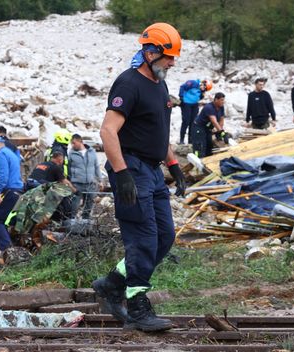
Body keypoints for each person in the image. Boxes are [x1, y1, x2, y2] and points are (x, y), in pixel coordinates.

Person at [92, 22, 187, 332]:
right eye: (168, 57)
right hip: (131, 167)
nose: (172, 63)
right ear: (150, 53)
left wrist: (173, 165)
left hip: (153, 169)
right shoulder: (128, 84)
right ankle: (137, 306)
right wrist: (121, 174)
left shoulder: (160, 86)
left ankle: (113, 283)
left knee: (164, 236)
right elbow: (108, 131)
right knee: (143, 237)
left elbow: (158, 132)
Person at [0, 136, 23, 252]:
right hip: (18, 190)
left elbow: (3, 175)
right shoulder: (11, 153)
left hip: (8, 190)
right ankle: (15, 247)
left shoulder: (0, 154)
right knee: (8, 220)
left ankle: (8, 251)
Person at [27, 152, 76, 221]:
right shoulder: (55, 167)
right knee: (62, 197)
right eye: (62, 160)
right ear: (60, 160)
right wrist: (74, 190)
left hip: (29, 184)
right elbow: (65, 182)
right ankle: (64, 219)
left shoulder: (41, 164)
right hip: (39, 185)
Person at [69, 134, 101, 219]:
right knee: (74, 205)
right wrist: (69, 181)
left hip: (90, 184)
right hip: (77, 184)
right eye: (71, 143)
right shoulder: (71, 153)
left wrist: (100, 180)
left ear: (80, 141)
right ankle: (71, 223)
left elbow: (96, 166)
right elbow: (67, 168)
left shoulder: (92, 152)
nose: (72, 145)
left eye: (74, 143)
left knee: (89, 205)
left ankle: (85, 223)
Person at [191, 92, 226, 157]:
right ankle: (197, 162)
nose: (223, 102)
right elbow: (214, 121)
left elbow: (221, 120)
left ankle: (208, 162)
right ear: (216, 99)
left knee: (209, 146)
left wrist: (219, 132)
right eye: (221, 100)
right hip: (199, 128)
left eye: (223, 100)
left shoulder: (221, 107)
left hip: (208, 129)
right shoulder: (209, 107)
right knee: (200, 146)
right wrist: (222, 133)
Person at [178, 79, 212, 144]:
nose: (203, 88)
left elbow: (200, 97)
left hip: (195, 105)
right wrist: (181, 97)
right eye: (204, 86)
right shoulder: (193, 83)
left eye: (205, 89)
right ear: (203, 83)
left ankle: (190, 141)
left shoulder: (201, 92)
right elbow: (182, 87)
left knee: (193, 123)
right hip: (186, 103)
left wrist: (202, 94)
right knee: (186, 122)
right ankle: (181, 140)